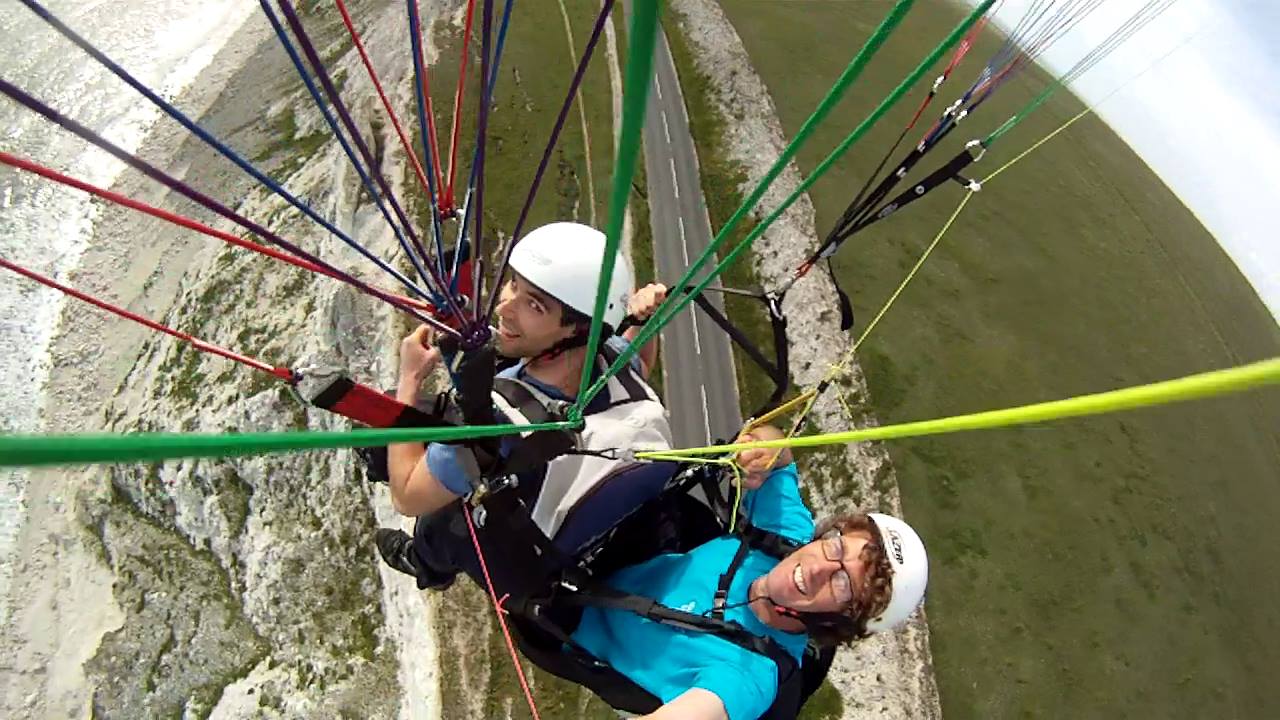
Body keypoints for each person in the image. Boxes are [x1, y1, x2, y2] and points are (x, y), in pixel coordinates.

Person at [375, 221, 672, 588]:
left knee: (442, 521)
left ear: (575, 330)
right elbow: (641, 360)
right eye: (514, 283)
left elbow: (407, 496)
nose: (504, 306)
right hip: (580, 502)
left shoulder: (498, 424)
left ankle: (424, 563)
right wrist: (646, 319)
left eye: (535, 304)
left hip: (523, 538)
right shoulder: (610, 358)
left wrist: (409, 380)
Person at [568, 423, 930, 720]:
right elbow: (780, 451)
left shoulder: (751, 675)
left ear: (841, 619)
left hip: (561, 617)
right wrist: (763, 449)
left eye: (842, 584)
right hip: (599, 558)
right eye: (836, 546)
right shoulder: (785, 538)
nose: (820, 566)